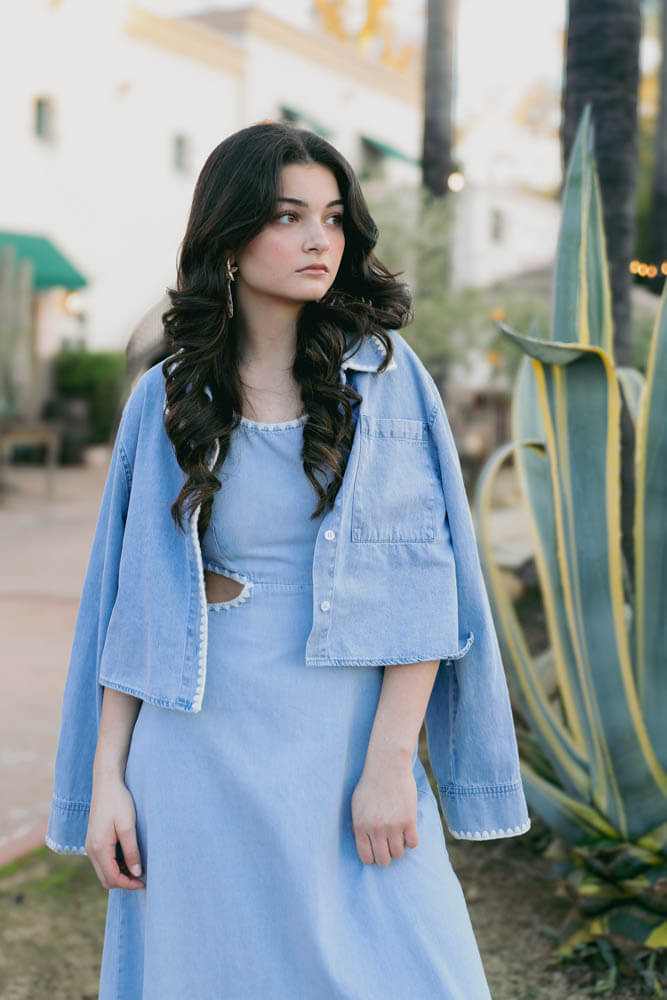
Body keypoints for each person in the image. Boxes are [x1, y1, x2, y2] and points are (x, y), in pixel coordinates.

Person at [46, 121, 530, 999]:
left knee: (416, 969)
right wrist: (106, 780)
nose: (320, 240)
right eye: (289, 217)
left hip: (341, 739)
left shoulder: (382, 373)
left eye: (335, 218)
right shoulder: (166, 395)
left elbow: (420, 580)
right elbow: (134, 600)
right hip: (194, 746)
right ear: (229, 239)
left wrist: (390, 763)